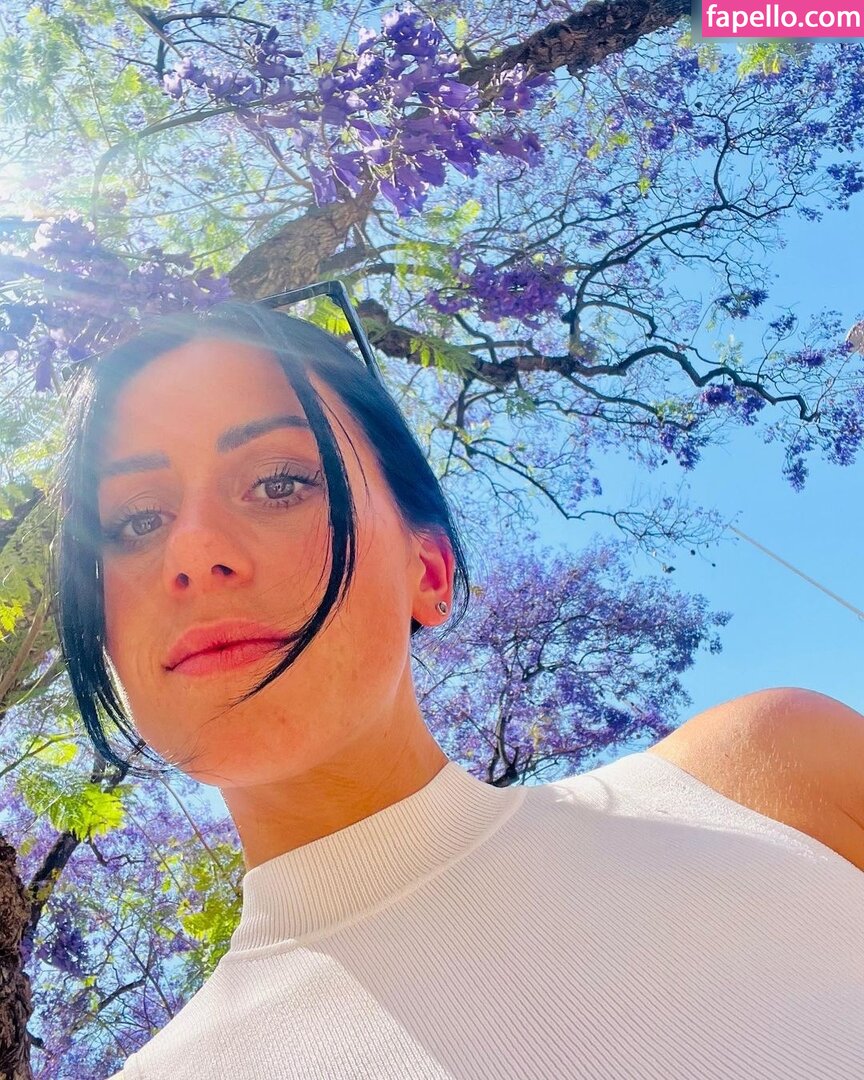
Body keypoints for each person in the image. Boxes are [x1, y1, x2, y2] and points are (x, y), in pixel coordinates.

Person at [51, 302, 863, 1080]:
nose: (192, 551)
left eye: (278, 482)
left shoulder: (773, 777)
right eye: (135, 522)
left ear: (430, 571)